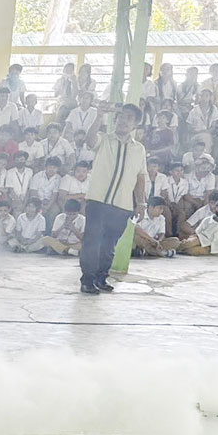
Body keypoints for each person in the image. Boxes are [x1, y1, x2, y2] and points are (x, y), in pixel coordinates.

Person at [79, 103, 148, 294]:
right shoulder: (105, 140)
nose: (123, 120)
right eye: (121, 116)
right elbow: (89, 138)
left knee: (109, 245)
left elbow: (140, 177)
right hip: (98, 201)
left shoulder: (139, 149)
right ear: (115, 120)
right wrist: (99, 115)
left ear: (135, 125)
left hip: (123, 205)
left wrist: (141, 203)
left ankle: (101, 277)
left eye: (129, 118)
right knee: (92, 242)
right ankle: (87, 280)